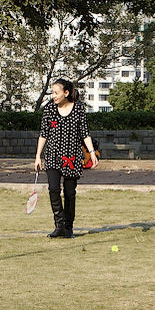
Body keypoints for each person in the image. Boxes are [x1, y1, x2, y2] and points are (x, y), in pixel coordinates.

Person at [33, 78, 98, 238]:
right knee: (53, 189)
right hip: (53, 156)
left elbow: (84, 133)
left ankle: (68, 228)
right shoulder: (49, 109)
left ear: (66, 92)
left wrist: (91, 152)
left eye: (56, 92)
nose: (53, 96)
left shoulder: (78, 109)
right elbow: (43, 134)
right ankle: (59, 225)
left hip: (72, 157)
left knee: (70, 193)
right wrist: (38, 156)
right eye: (52, 92)